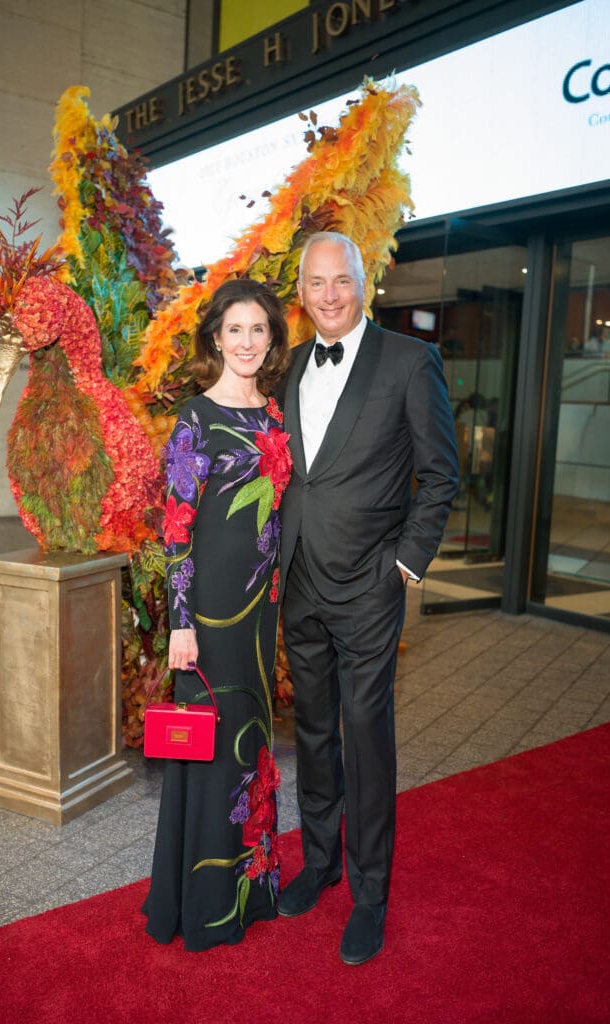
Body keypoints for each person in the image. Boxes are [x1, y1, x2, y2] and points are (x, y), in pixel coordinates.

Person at [277, 232, 458, 965]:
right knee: (313, 731)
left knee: (367, 736)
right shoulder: (289, 365)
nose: (330, 295)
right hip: (299, 580)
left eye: (342, 281)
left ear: (365, 283)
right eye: (316, 283)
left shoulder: (410, 361)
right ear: (301, 292)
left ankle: (370, 894)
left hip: (369, 588)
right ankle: (320, 862)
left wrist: (404, 566)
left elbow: (440, 475)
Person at [143, 277, 292, 951]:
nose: (247, 341)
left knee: (250, 744)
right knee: (206, 747)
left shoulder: (276, 416)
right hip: (208, 612)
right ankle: (201, 903)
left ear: (272, 338)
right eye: (235, 329)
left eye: (259, 329)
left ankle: (249, 889)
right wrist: (181, 621)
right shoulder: (196, 417)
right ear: (216, 338)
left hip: (260, 610)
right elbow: (176, 527)